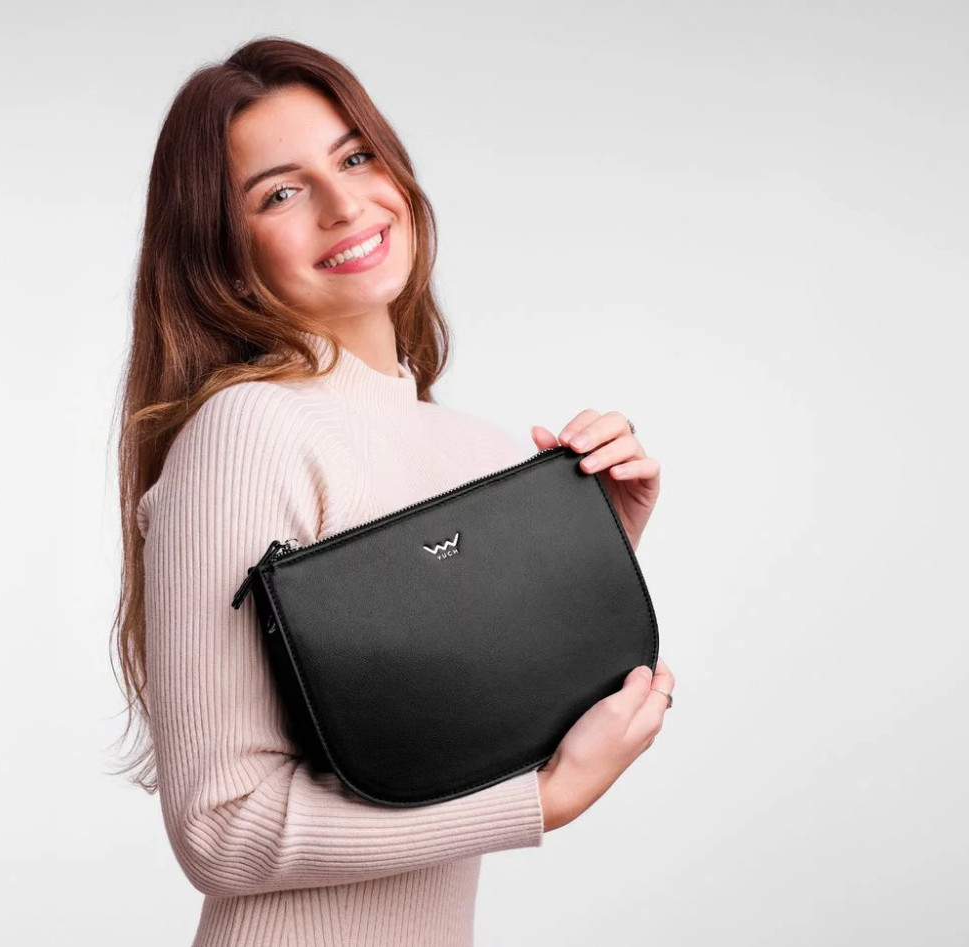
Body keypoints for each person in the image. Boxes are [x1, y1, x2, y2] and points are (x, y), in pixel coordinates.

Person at [107, 37, 676, 945]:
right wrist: (542, 803)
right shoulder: (249, 429)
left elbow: (450, 724)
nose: (344, 205)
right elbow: (221, 826)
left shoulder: (477, 448)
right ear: (223, 253)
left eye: (355, 158)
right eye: (280, 193)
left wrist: (593, 545)